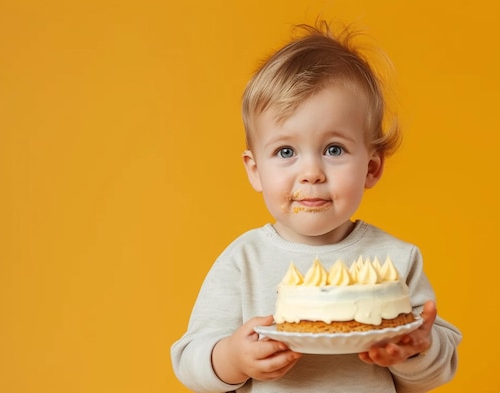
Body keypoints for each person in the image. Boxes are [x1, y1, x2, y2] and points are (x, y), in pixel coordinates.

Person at [171, 20, 461, 393]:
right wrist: (230, 358)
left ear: (371, 167)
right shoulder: (244, 261)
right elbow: (190, 358)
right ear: (255, 170)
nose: (311, 173)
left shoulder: (396, 261)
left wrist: (415, 351)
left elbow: (439, 366)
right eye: (285, 151)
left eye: (334, 149)